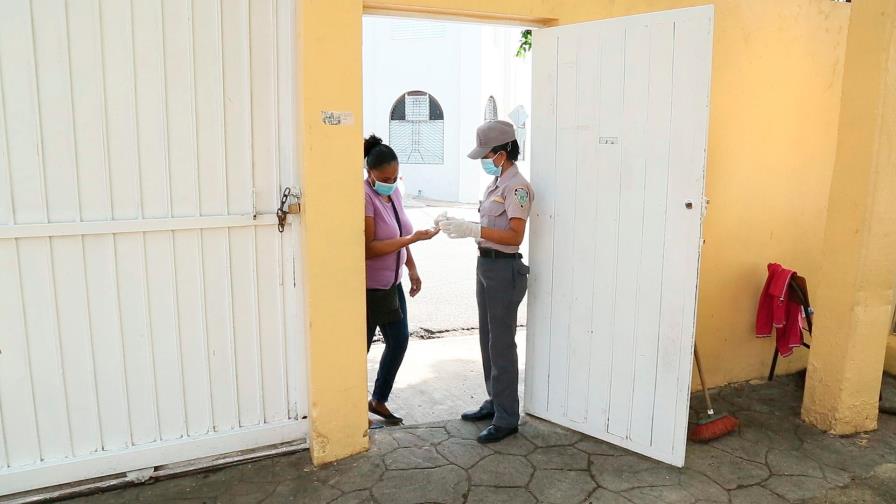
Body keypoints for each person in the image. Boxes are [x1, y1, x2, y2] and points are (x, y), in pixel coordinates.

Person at [438, 120, 533, 443]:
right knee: (488, 340)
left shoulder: (516, 187)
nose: (485, 158)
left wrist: (474, 230)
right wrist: (462, 227)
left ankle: (507, 417)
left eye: (488, 153)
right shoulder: (495, 184)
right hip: (486, 266)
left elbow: (514, 235)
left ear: (503, 152)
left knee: (502, 344)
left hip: (504, 270)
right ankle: (495, 401)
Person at [363, 134, 438, 427]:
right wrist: (411, 239)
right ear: (370, 173)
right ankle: (353, 406)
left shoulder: (394, 193)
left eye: (395, 176)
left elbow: (398, 233)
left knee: (399, 340)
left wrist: (412, 267)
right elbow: (368, 247)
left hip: (393, 284)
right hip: (372, 288)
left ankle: (378, 399)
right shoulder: (364, 196)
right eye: (384, 177)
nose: (390, 181)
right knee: (361, 349)